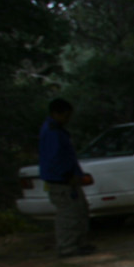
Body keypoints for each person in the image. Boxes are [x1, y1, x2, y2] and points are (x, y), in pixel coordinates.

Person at [37, 98, 94, 258]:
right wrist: (67, 176)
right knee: (68, 214)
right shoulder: (51, 131)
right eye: (66, 115)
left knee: (80, 211)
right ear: (56, 113)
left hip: (70, 179)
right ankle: (67, 247)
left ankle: (80, 243)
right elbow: (54, 158)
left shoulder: (58, 130)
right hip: (61, 181)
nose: (68, 119)